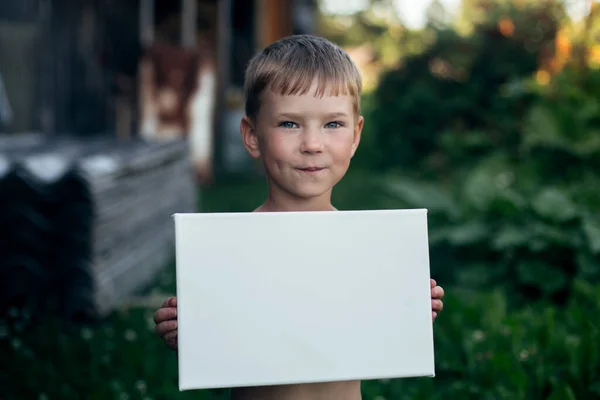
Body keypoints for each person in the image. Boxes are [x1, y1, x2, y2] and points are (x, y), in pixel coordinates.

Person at [153, 34, 445, 400]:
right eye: (289, 124)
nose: (312, 143)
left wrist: (409, 308)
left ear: (355, 136)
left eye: (333, 124)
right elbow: (224, 338)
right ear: (252, 135)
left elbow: (377, 328)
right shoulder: (232, 251)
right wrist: (192, 330)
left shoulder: (368, 252)